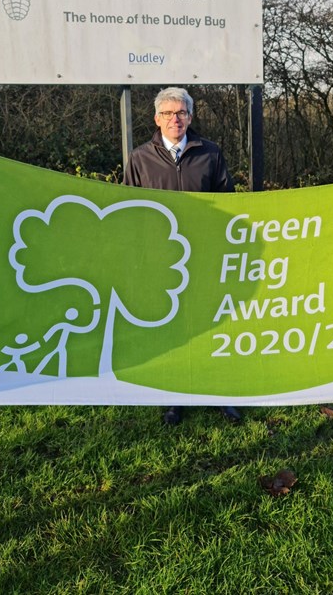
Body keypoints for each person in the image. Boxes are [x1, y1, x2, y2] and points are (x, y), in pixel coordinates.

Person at [123, 86, 241, 426]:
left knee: (211, 324)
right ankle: (174, 398)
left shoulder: (211, 152)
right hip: (162, 260)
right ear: (156, 118)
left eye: (181, 113)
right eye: (168, 113)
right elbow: (130, 210)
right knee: (172, 329)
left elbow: (228, 203)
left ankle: (220, 393)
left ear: (190, 116)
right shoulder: (139, 158)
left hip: (204, 254)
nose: (175, 119)